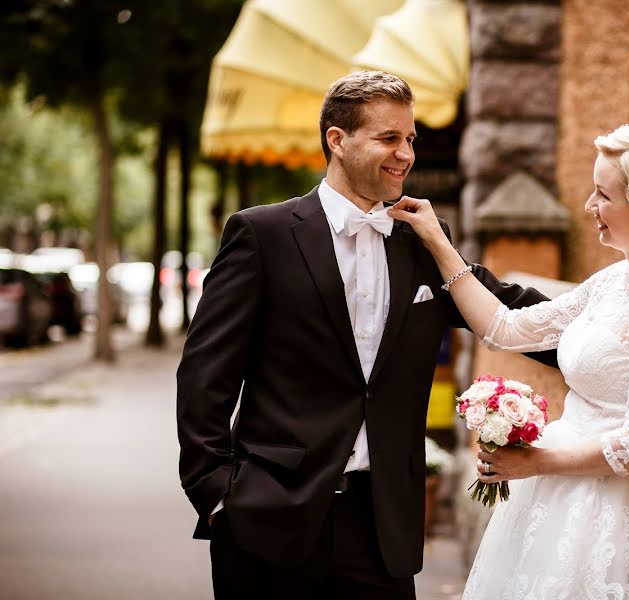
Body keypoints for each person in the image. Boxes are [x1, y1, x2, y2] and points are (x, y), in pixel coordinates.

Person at [176, 70, 556, 600]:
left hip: (382, 529)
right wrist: (218, 498)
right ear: (338, 140)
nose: (406, 154)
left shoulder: (422, 240)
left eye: (411, 140)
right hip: (268, 520)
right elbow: (203, 378)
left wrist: (614, 327)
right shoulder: (261, 235)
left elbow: (505, 310)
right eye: (389, 138)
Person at [389, 117, 629, 599]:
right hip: (556, 486)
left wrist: (534, 462)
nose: (589, 206)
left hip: (609, 508)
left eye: (604, 195)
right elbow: (505, 327)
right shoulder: (615, 279)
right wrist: (438, 243)